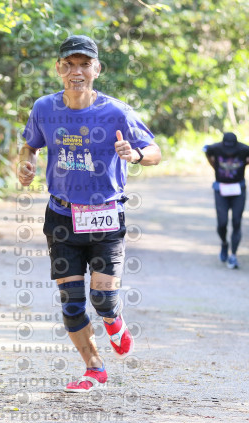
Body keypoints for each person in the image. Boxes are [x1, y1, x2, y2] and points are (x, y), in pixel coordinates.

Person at [17, 34, 161, 393]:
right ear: (58, 68)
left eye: (84, 64)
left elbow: (154, 151)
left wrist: (136, 155)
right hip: (61, 217)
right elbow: (30, 146)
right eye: (69, 64)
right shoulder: (44, 108)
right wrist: (25, 164)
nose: (76, 71)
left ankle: (113, 319)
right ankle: (94, 368)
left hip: (105, 216)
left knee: (103, 299)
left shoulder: (116, 112)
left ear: (96, 69)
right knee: (72, 304)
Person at [204, 132, 249, 269]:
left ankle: (233, 255)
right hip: (221, 190)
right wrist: (213, 165)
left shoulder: (244, 149)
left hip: (238, 190)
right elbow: (206, 151)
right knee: (222, 223)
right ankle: (224, 243)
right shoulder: (215, 148)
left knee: (236, 222)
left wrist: (244, 164)